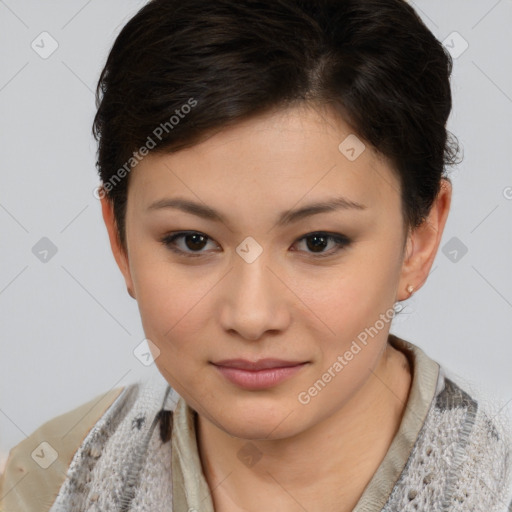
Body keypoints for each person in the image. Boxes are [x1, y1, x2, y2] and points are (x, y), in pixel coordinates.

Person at [1, 0, 512, 511]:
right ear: (120, 239)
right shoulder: (49, 482)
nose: (251, 316)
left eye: (318, 242)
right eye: (192, 241)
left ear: (418, 239)